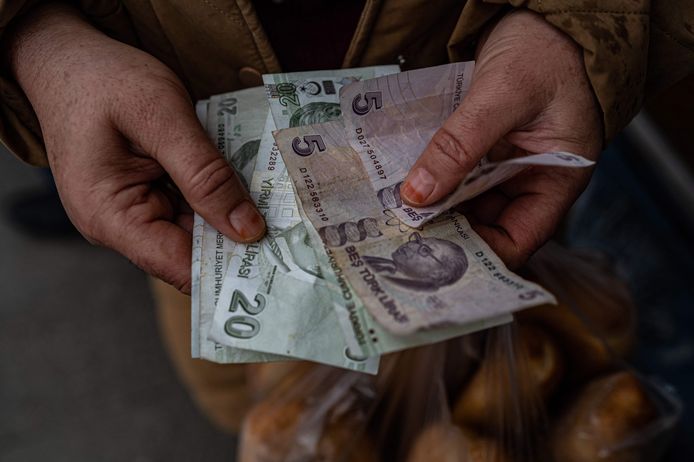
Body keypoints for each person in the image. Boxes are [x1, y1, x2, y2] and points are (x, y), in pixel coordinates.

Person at [1, 0, 692, 433]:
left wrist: (585, 24)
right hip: (190, 206)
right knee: (252, 398)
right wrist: (38, 41)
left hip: (488, 185)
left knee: (502, 384)